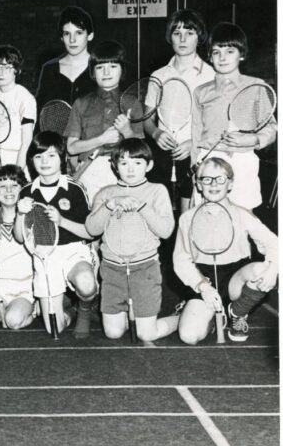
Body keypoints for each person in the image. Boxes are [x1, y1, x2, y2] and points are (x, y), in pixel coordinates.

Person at [174, 158, 278, 344]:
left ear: (230, 184)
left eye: (220, 179)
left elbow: (274, 244)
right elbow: (181, 261)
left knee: (263, 269)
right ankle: (212, 320)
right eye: (206, 179)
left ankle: (237, 312)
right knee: (189, 336)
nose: (214, 184)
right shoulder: (187, 218)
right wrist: (202, 287)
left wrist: (273, 268)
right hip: (203, 278)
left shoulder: (243, 215)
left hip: (235, 278)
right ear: (198, 184)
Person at [85, 139, 178, 341]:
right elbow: (91, 229)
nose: (130, 169)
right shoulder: (105, 194)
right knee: (113, 333)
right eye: (124, 163)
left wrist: (142, 207)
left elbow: (166, 231)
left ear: (149, 165)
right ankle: (132, 314)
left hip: (144, 269)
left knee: (146, 334)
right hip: (112, 270)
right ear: (114, 166)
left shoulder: (157, 191)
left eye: (137, 163)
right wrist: (110, 205)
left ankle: (179, 317)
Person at [13, 131, 98, 338]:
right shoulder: (26, 193)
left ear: (62, 158)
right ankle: (71, 309)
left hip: (74, 252)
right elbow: (20, 237)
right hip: (44, 256)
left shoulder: (76, 189)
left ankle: (85, 308)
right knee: (55, 329)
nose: (45, 161)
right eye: (39, 156)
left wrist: (62, 221)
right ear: (31, 161)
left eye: (51, 155)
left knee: (87, 284)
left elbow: (90, 232)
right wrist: (19, 214)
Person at [189, 22, 277, 210]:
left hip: (242, 161)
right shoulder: (201, 92)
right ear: (210, 57)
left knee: (242, 221)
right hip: (208, 161)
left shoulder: (256, 86)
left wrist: (253, 139)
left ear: (242, 54)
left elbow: (271, 128)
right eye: (216, 52)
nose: (222, 57)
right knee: (208, 222)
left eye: (230, 51)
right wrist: (195, 171)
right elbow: (196, 135)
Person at [143, 9, 215, 214]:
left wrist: (193, 142)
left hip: (197, 154)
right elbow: (147, 121)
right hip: (163, 156)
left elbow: (216, 124)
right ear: (169, 37)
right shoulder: (158, 75)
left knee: (190, 217)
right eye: (177, 33)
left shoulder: (211, 75)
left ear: (199, 37)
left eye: (189, 33)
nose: (183, 39)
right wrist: (156, 133)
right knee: (161, 217)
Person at [65, 40, 143, 203]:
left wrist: (127, 131)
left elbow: (141, 151)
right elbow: (72, 148)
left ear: (122, 70)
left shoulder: (132, 103)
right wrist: (102, 140)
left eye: (113, 66)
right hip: (88, 171)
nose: (106, 72)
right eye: (100, 67)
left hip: (123, 171)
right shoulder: (81, 103)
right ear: (93, 72)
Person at [0, 165, 35, 330]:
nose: (8, 190)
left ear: (23, 188)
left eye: (14, 185)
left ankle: (33, 309)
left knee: (12, 321)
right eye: (2, 186)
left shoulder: (32, 218)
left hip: (25, 286)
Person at [0, 45, 36, 174]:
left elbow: (27, 141)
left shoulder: (25, 97)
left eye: (6, 68)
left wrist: (18, 170)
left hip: (17, 158)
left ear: (17, 71)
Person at [35, 5, 97, 109]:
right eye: (67, 34)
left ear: (90, 35)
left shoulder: (100, 67)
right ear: (62, 38)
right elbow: (40, 111)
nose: (72, 39)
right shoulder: (49, 69)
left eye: (79, 33)